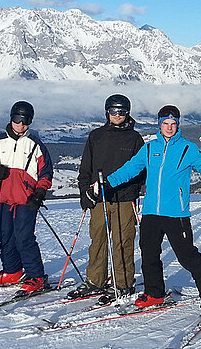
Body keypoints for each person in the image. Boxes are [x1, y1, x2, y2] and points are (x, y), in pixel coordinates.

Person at [105, 105, 201, 313]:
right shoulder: (150, 148)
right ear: (159, 125)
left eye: (173, 124)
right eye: (165, 124)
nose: (169, 128)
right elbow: (131, 168)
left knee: (187, 255)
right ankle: (155, 293)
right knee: (149, 253)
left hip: (176, 212)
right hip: (152, 211)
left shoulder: (188, 148)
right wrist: (108, 183)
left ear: (178, 125)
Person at [67, 94, 145, 304]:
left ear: (127, 113)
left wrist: (132, 189)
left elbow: (141, 171)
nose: (117, 115)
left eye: (121, 112)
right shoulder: (96, 136)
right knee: (98, 239)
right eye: (113, 111)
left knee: (122, 241)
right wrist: (85, 193)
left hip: (124, 199)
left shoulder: (135, 138)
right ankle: (96, 280)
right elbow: (86, 168)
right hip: (99, 198)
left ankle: (123, 283)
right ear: (107, 113)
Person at [0, 101, 53, 295]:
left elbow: (46, 173)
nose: (21, 124)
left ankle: (36, 276)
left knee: (24, 237)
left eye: (26, 120)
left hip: (26, 199)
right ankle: (13, 271)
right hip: (2, 197)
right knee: (5, 236)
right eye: (18, 119)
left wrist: (39, 193)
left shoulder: (35, 145)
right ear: (11, 118)